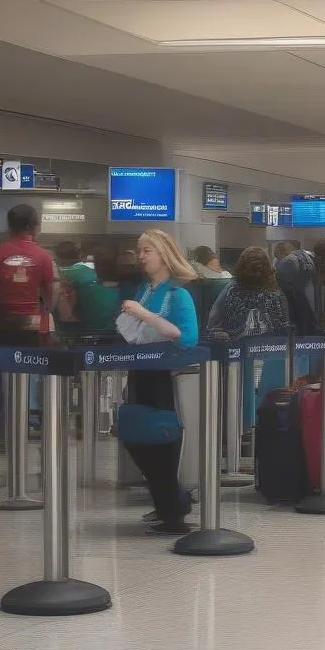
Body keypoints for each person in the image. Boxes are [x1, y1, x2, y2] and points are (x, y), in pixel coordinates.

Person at [120, 229, 199, 534]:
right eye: (139, 251)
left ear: (164, 253)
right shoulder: (146, 289)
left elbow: (186, 336)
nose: (141, 257)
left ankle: (172, 510)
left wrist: (144, 315)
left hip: (166, 379)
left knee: (160, 442)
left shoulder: (178, 294)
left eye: (147, 251)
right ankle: (170, 502)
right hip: (141, 372)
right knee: (136, 436)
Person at [0, 204, 59, 345]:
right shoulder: (44, 257)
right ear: (34, 227)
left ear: (9, 226)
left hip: (1, 325)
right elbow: (49, 296)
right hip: (33, 325)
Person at [208, 247, 289, 339]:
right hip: (270, 348)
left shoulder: (231, 289)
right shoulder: (276, 294)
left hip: (235, 347)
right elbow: (285, 330)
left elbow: (212, 323)